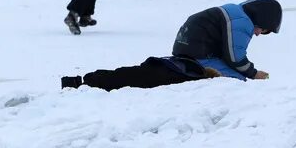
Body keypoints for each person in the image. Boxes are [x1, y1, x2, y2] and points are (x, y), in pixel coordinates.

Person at [171, 0, 282, 80]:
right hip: (200, 57)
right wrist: (254, 74)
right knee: (236, 82)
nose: (257, 34)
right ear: (261, 18)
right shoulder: (243, 22)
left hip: (187, 52)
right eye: (262, 30)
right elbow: (235, 58)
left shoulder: (234, 11)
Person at [61, 56, 222, 91]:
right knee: (117, 79)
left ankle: (79, 82)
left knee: (118, 76)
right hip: (154, 75)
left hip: (153, 69)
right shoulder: (192, 78)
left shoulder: (188, 66)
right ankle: (79, 84)